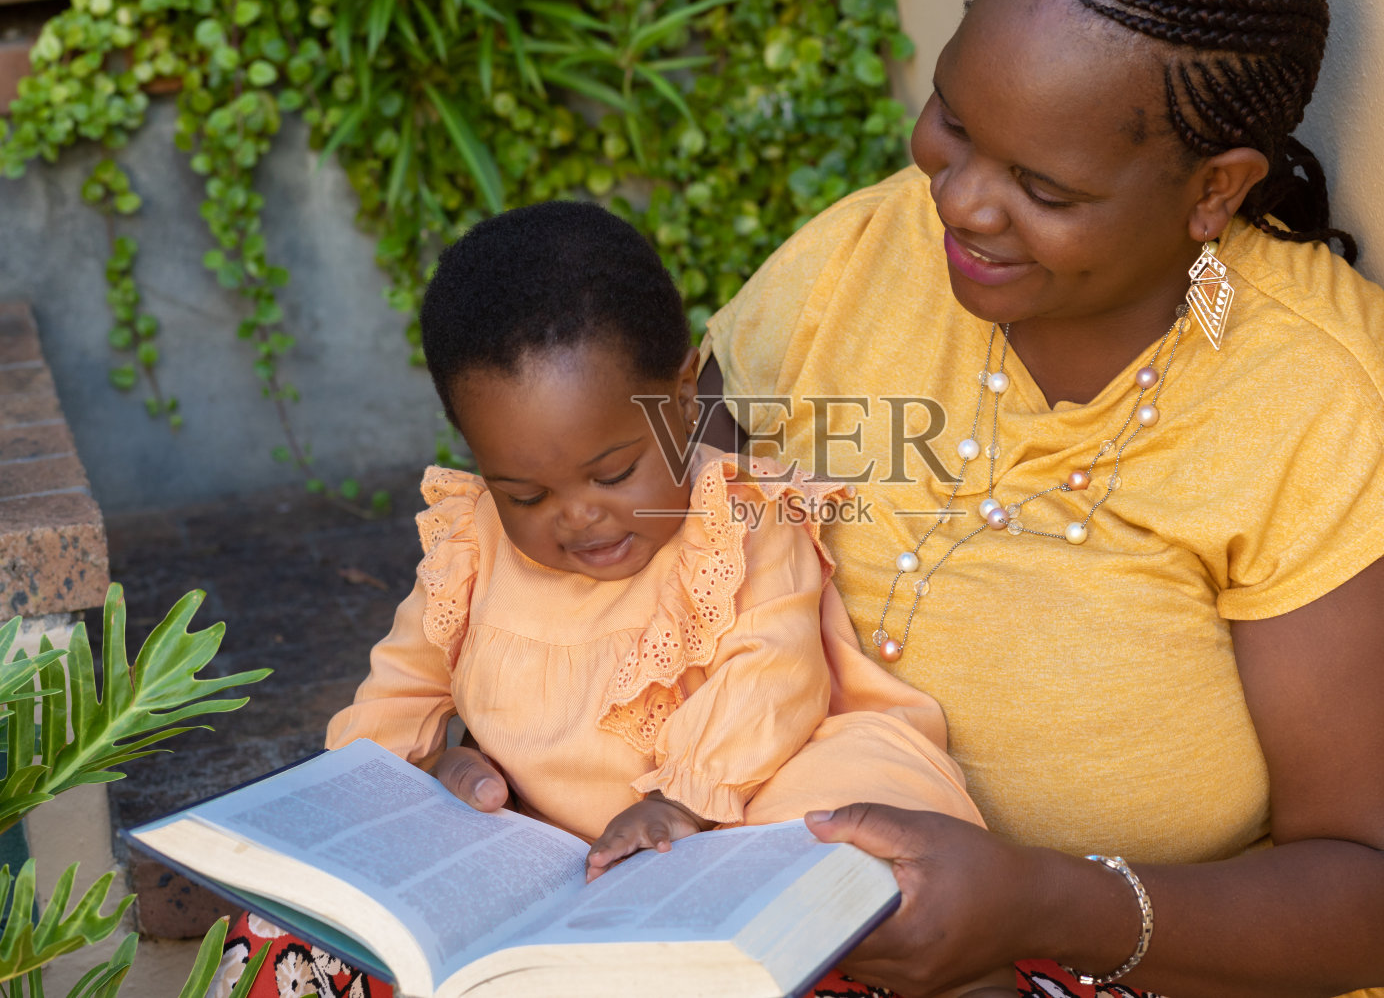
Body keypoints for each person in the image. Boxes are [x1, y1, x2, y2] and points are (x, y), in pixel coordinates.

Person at [432, 0, 1384, 997]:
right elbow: (646, 511)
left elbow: (1383, 898)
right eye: (953, 119)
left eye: (1042, 184)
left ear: (1213, 189)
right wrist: (495, 731)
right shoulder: (864, 255)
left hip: (1117, 958)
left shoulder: (1323, 408)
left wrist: (1038, 902)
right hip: (738, 867)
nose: (958, 201)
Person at [293, 201, 1006, 997]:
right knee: (319, 928)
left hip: (759, 781)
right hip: (576, 843)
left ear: (684, 395)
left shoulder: (738, 518)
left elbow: (772, 677)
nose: (579, 514)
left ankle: (967, 978)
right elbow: (399, 681)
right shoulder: (474, 546)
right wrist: (404, 777)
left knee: (866, 843)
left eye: (613, 472)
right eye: (526, 491)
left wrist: (681, 802)